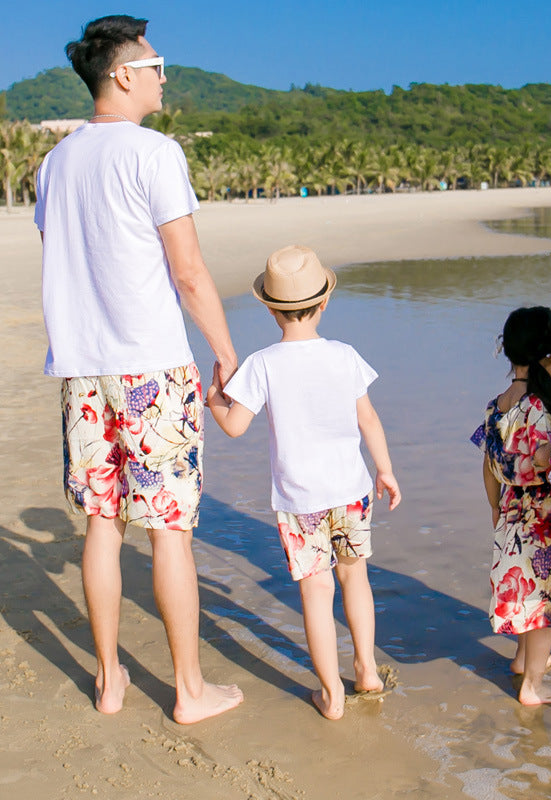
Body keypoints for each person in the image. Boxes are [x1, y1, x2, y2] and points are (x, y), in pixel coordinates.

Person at [34, 15, 243, 723]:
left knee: (101, 520)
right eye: (157, 64)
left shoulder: (54, 162)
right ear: (123, 73)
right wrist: (223, 348)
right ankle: (189, 690)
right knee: (169, 528)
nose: (164, 75)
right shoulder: (154, 152)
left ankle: (110, 680)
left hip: (82, 369)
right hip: (150, 365)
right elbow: (186, 271)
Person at [207, 245, 401, 720]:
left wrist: (214, 397)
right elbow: (369, 419)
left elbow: (234, 426)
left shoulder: (263, 363)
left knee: (317, 592)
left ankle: (332, 694)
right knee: (356, 577)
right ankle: (368, 669)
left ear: (271, 309)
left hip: (299, 500)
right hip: (352, 490)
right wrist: (386, 470)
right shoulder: (344, 355)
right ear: (325, 302)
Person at [471, 307, 551, 705]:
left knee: (525, 590)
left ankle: (523, 659)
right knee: (544, 604)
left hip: (511, 513)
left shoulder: (496, 405)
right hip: (546, 519)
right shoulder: (547, 409)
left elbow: (488, 468)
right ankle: (533, 686)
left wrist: (495, 508)